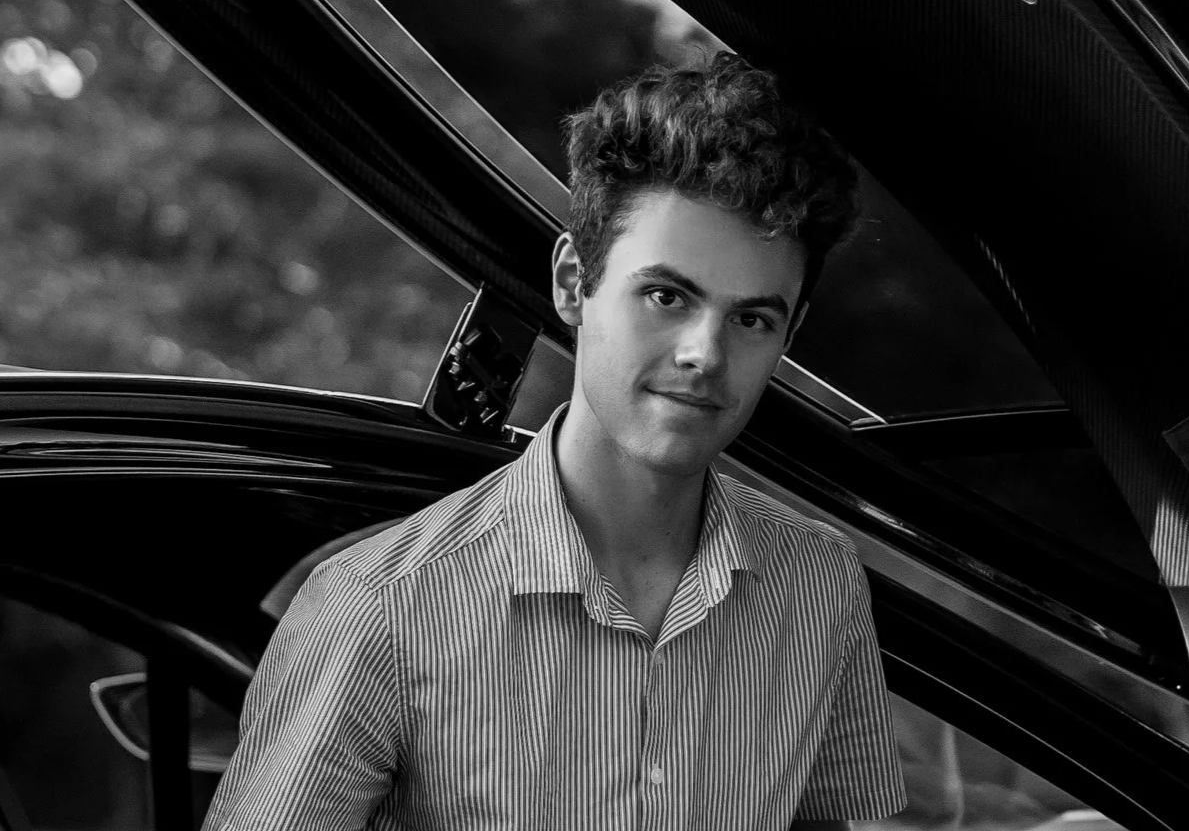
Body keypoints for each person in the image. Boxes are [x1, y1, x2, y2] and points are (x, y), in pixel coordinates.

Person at [202, 51, 907, 830]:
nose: (705, 354)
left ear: (790, 332)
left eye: (751, 319)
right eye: (666, 296)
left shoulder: (820, 586)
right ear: (573, 282)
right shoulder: (379, 607)